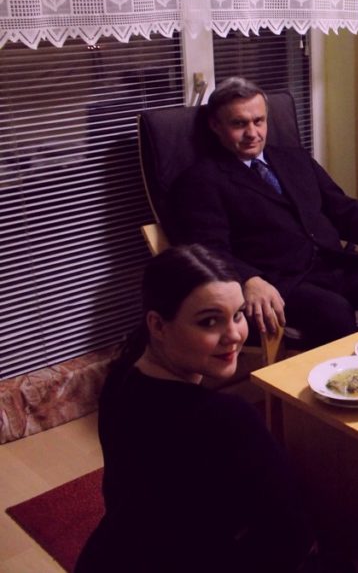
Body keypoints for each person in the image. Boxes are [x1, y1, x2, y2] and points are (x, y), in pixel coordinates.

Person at [76, 245, 315, 572]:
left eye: (238, 315)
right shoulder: (225, 418)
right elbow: (292, 538)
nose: (234, 335)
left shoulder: (121, 377)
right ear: (158, 325)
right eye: (209, 322)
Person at [168, 77, 358, 347]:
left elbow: (345, 211)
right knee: (333, 312)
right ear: (216, 125)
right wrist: (248, 280)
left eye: (258, 121)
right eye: (239, 124)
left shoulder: (294, 159)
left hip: (337, 266)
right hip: (281, 284)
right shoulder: (201, 181)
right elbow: (208, 250)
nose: (252, 133)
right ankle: (351, 377)